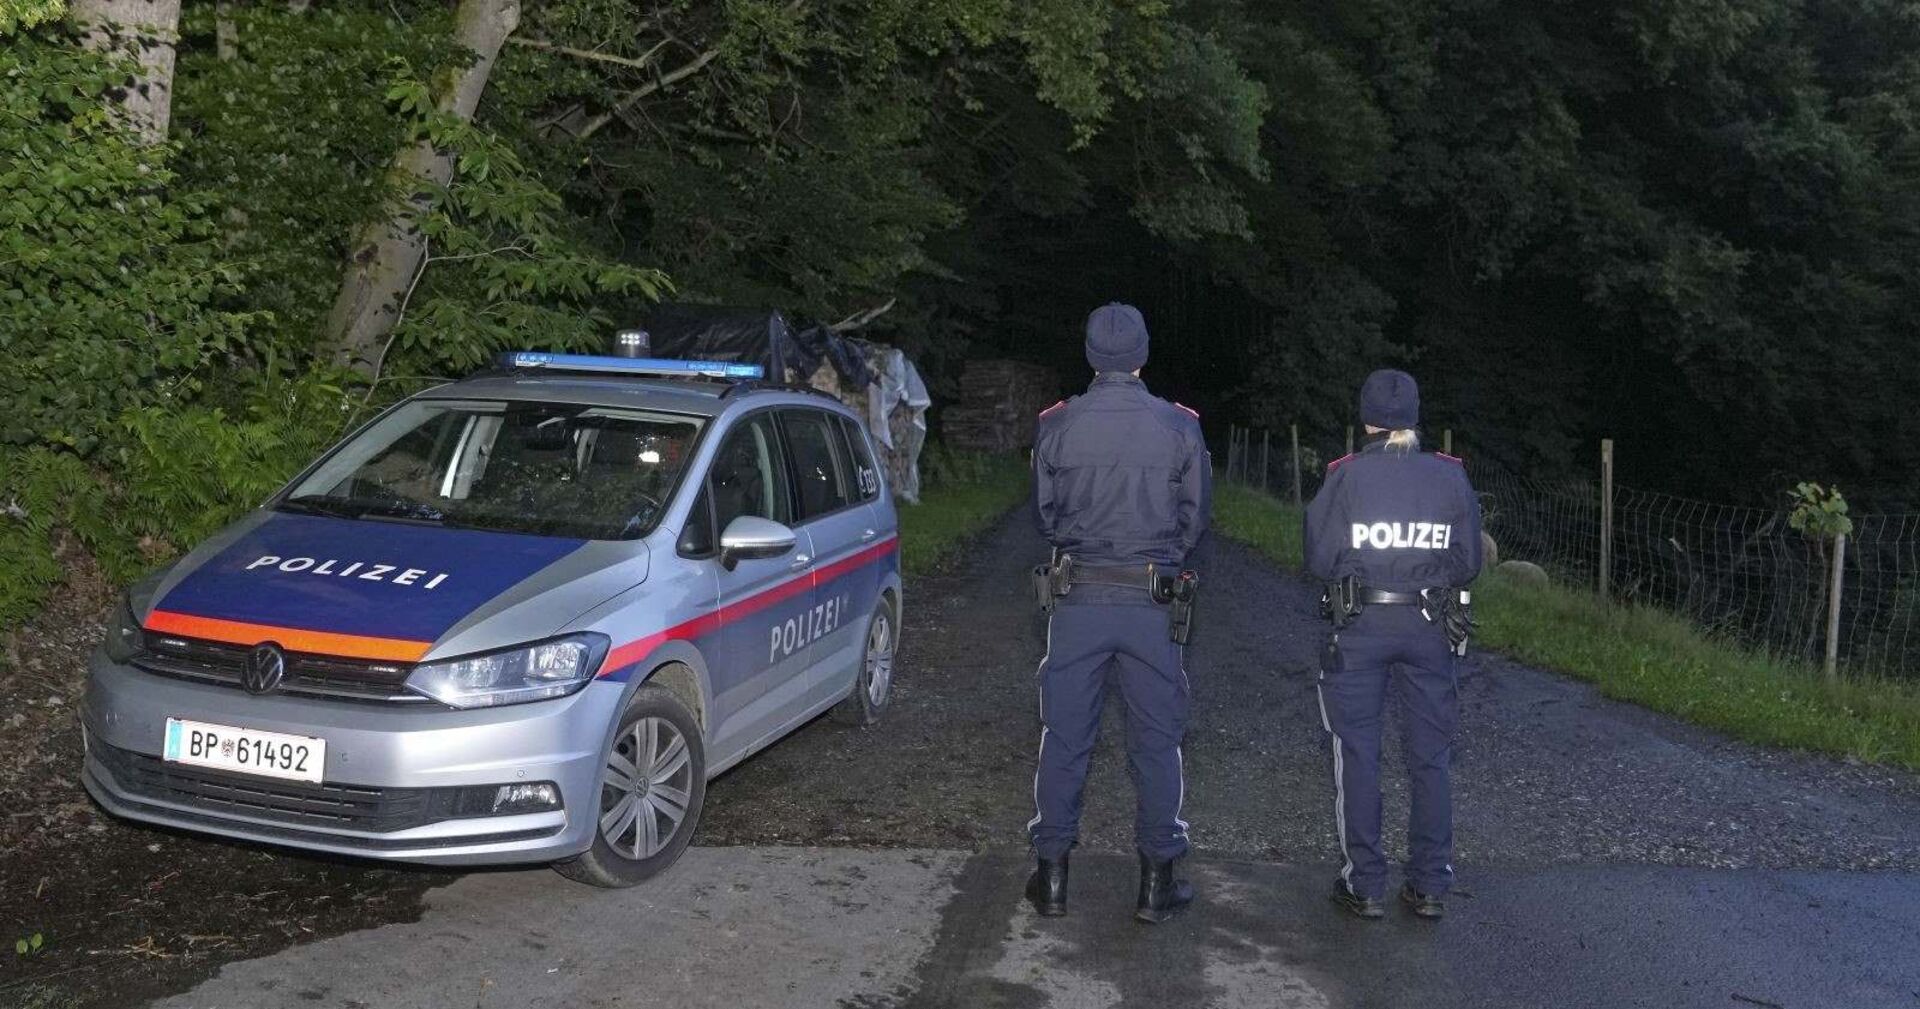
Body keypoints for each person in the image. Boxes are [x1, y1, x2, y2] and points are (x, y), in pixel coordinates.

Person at [1026, 302, 1211, 924]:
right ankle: (1157, 883)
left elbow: (1046, 518)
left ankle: (1051, 877)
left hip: (1077, 600)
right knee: (1157, 741)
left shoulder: (1057, 424)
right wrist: (1163, 559)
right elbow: (1195, 518)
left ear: (1089, 356)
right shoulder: (1179, 426)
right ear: (1142, 355)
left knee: (1065, 737)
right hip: (1151, 603)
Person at [1303, 369, 1482, 921]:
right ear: (1414, 420)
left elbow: (1319, 559)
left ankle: (1366, 886)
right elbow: (1469, 562)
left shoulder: (1346, 477)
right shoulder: (1450, 477)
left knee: (1358, 753)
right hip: (1430, 627)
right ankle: (1429, 885)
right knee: (1430, 757)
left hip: (1360, 627)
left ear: (1367, 420)